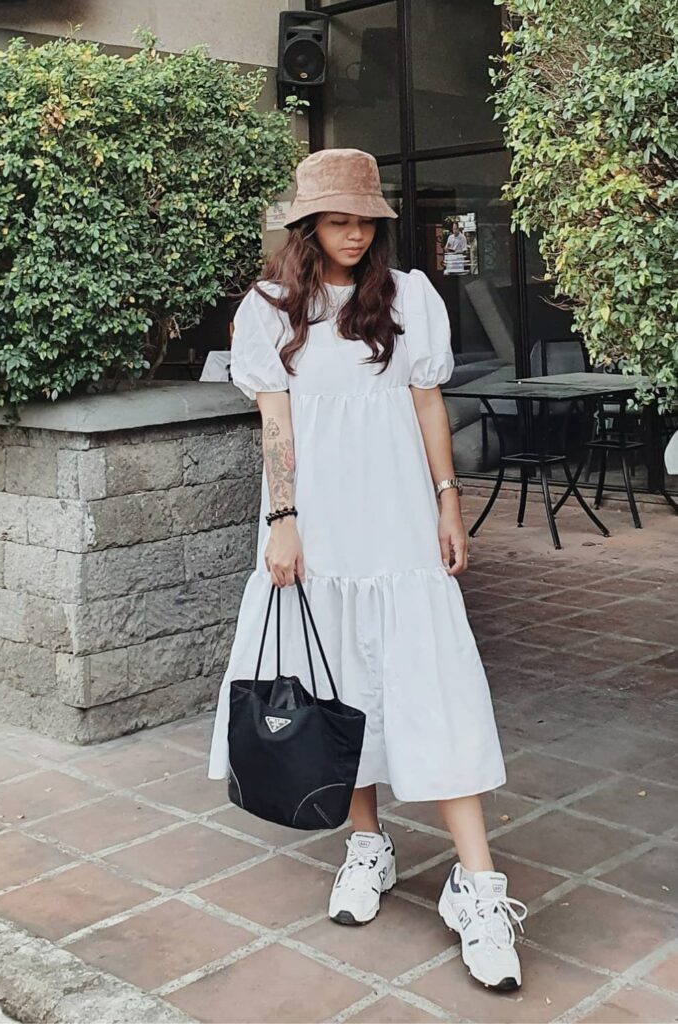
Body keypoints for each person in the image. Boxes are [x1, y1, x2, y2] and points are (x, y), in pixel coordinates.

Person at [208, 148, 527, 992]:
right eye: (339, 219)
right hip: (320, 529)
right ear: (306, 226)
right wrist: (283, 521)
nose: (354, 233)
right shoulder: (270, 309)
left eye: (366, 220)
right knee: (338, 683)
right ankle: (365, 845)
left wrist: (448, 503)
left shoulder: (410, 297)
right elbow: (275, 427)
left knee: (435, 683)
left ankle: (479, 885)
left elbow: (428, 402)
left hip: (398, 524)